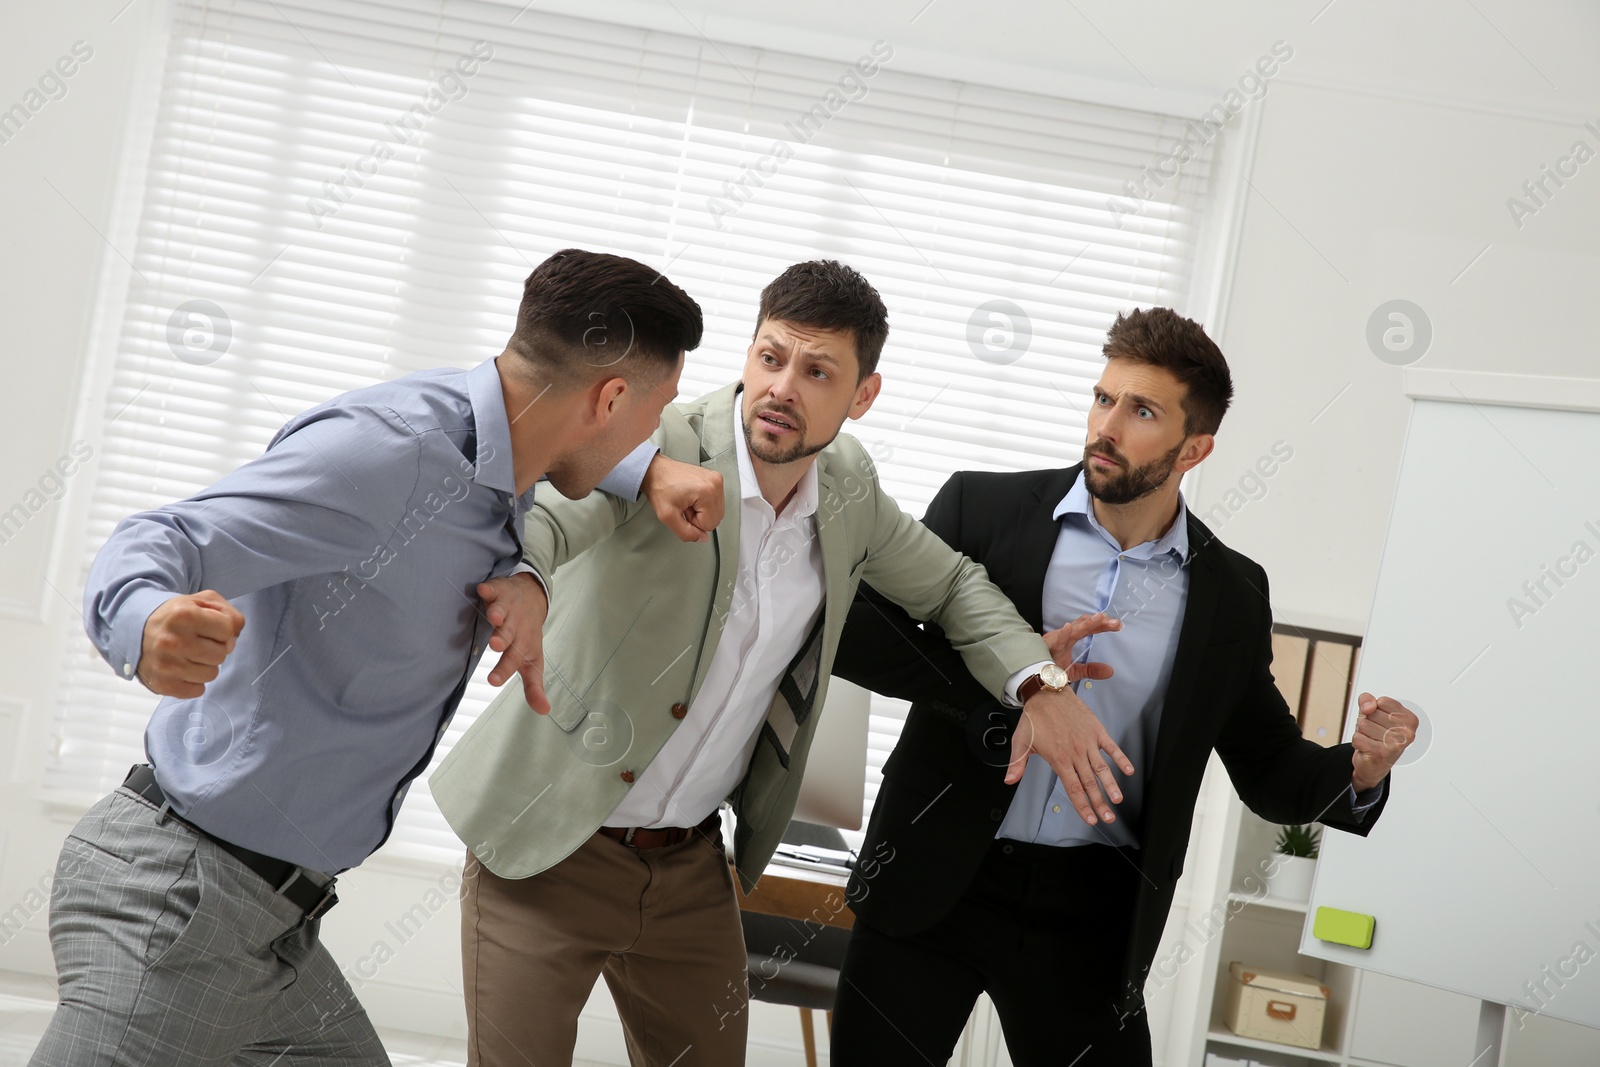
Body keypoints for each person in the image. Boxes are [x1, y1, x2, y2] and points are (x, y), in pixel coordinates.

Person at [428, 260, 1127, 1067]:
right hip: (548, 846)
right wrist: (530, 580)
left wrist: (1039, 684)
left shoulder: (849, 487)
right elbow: (555, 510)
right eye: (771, 356)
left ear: (862, 395)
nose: (782, 386)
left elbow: (952, 583)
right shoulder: (662, 437)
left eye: (818, 370)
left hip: (688, 865)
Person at [33, 249, 717, 1066]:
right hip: (183, 898)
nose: (654, 432)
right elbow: (164, 537)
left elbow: (585, 453)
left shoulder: (507, 451)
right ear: (609, 397)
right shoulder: (392, 454)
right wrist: (143, 622)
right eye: (657, 412)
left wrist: (649, 469)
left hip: (272, 921)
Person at [827, 307, 1420, 1066]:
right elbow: (858, 637)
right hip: (933, 880)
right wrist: (1016, 675)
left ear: (1194, 447)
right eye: (1103, 398)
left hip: (1094, 916)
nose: (1106, 425)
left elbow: (1268, 765)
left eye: (1141, 411)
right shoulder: (983, 509)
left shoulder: (1230, 591)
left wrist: (1359, 774)